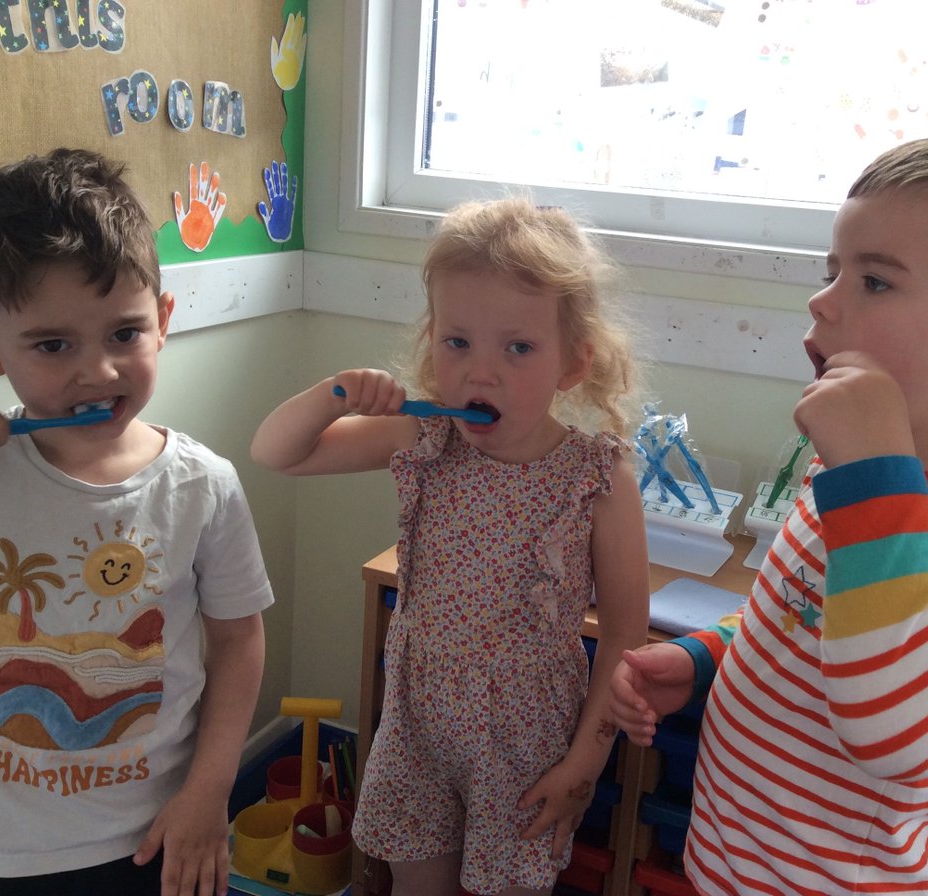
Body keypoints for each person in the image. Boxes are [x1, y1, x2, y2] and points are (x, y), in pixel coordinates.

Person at [610, 133, 928, 895]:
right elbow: (801, 616)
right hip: (730, 868)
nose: (821, 300)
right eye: (831, 271)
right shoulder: (844, 477)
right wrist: (707, 657)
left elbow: (906, 736)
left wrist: (872, 479)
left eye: (874, 281)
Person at [0, 148, 273, 896]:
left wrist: (209, 792)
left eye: (124, 334)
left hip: (162, 843)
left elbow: (238, 641)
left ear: (163, 320)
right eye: (53, 345)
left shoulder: (202, 485)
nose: (98, 371)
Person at [251, 198, 650, 896]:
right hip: (418, 723)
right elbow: (278, 453)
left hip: (527, 739)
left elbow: (624, 634)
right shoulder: (424, 437)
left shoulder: (599, 477)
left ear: (572, 362)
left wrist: (584, 765)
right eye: (457, 342)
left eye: (518, 348)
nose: (479, 373)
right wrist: (335, 394)